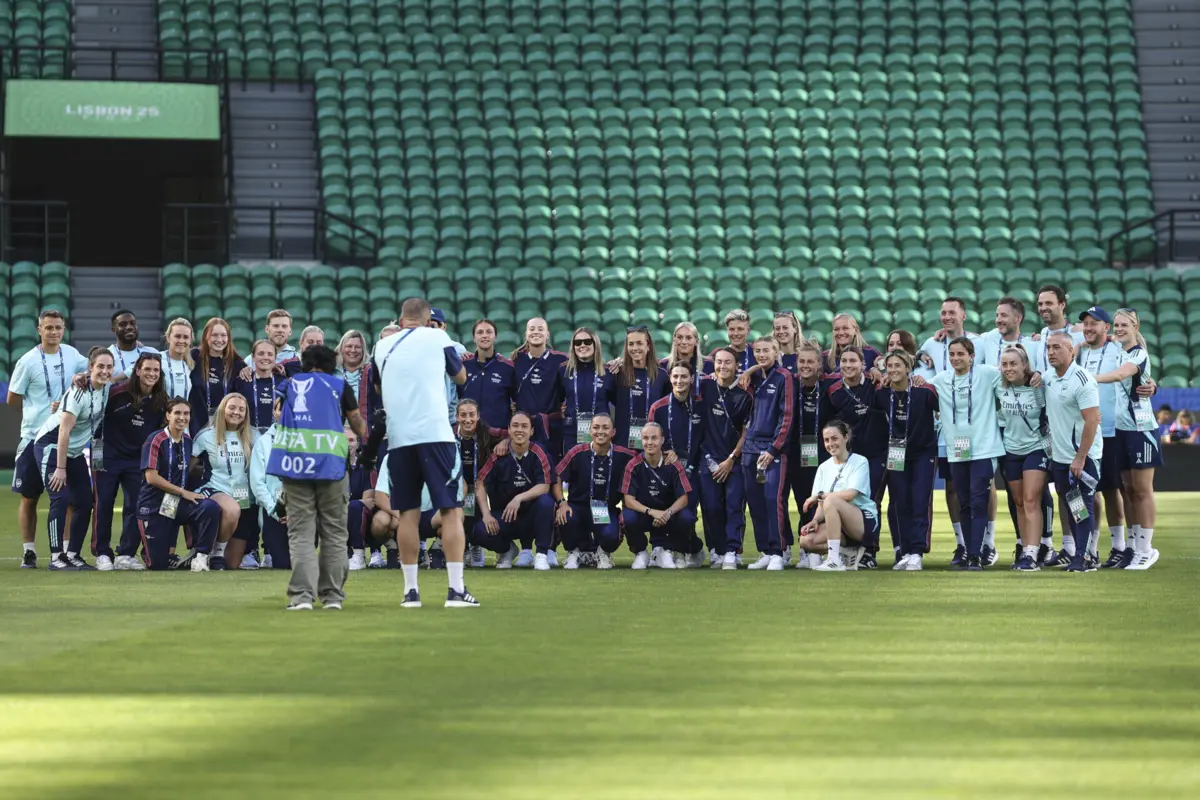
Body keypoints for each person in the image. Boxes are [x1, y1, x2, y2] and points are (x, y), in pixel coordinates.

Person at [374, 297, 475, 608]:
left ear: (401, 319)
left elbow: (379, 388)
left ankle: (410, 592)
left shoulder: (381, 347)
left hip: (400, 439)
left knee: (407, 513)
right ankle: (456, 591)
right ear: (428, 317)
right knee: (451, 510)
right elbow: (460, 376)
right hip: (435, 434)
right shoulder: (437, 337)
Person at [269, 344, 368, 610]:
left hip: (295, 464)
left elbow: (276, 414)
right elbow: (358, 425)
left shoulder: (289, 385)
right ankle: (333, 597)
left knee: (301, 533)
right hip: (332, 465)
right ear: (330, 364)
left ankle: (302, 598)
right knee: (335, 533)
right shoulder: (339, 386)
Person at [7, 309, 89, 569]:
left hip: (58, 436)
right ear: (39, 329)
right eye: (49, 327)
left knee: (65, 497)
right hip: (33, 436)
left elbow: (96, 367)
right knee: (29, 497)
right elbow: (12, 398)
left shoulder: (72, 355)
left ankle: (64, 551)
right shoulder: (27, 361)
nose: (54, 332)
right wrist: (37, 412)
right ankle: (29, 550)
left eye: (58, 328)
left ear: (64, 330)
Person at [34, 348, 113, 570]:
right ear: (90, 368)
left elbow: (97, 430)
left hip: (76, 452)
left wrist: (96, 465)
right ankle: (56, 557)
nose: (105, 371)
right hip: (52, 447)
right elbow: (63, 432)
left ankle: (73, 554)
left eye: (109, 367)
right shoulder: (78, 392)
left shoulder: (105, 389)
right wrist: (60, 468)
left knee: (86, 502)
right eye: (100, 366)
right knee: (60, 498)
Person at [931, 336, 1005, 570]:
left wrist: (1033, 375)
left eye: (961, 354)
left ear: (972, 356)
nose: (955, 358)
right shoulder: (942, 379)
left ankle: (976, 554)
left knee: (977, 500)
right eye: (952, 354)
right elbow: (919, 385)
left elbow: (1012, 373)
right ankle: (970, 552)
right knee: (963, 502)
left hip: (984, 449)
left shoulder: (987, 373)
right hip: (957, 451)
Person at [1097, 309, 1162, 569]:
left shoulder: (1138, 353)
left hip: (1141, 428)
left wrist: (1088, 379)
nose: (1120, 329)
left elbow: (1121, 375)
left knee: (1143, 490)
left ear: (1136, 326)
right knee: (1128, 489)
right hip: (1122, 430)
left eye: (1125, 324)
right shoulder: (1119, 349)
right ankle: (1135, 547)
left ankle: (1146, 549)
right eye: (1117, 325)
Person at [94, 352, 168, 570]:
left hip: (137, 460)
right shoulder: (116, 393)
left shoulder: (162, 400)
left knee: (136, 505)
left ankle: (125, 553)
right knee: (103, 503)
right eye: (147, 369)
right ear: (137, 370)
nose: (151, 374)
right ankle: (102, 553)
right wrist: (96, 457)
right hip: (107, 456)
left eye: (155, 370)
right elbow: (96, 419)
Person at [133, 399, 223, 571]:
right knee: (158, 565)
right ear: (168, 415)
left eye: (186, 413)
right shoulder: (155, 440)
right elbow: (151, 477)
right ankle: (152, 550)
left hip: (173, 503)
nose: (182, 417)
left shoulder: (188, 441)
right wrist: (183, 492)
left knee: (209, 507)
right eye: (177, 413)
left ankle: (200, 556)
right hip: (153, 504)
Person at [1041, 332, 1103, 573]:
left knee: (1083, 505)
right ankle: (1082, 553)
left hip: (1082, 457)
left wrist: (1080, 458)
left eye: (1057, 347)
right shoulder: (1048, 377)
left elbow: (1092, 421)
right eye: (1048, 348)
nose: (1051, 352)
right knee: (1073, 506)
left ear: (1071, 350)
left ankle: (1084, 557)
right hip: (1060, 456)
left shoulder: (1083, 380)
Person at [872, 349, 938, 570]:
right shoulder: (881, 393)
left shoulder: (923, 391)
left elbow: (943, 408)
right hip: (896, 453)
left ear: (908, 368)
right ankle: (905, 550)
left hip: (923, 453)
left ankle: (917, 552)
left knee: (919, 500)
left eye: (898, 366)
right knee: (900, 501)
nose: (893, 370)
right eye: (889, 366)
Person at [1075, 306, 1127, 567]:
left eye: (1094, 323)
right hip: (1085, 433)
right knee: (1087, 491)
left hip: (1110, 431)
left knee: (1110, 489)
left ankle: (1119, 545)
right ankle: (1090, 548)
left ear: (1106, 327)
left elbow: (1136, 374)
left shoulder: (1118, 350)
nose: (1088, 327)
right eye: (1085, 323)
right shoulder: (1079, 350)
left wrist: (1150, 386)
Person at [472, 412, 556, 569]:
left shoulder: (539, 453)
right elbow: (480, 483)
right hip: (506, 516)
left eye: (524, 426)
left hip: (532, 516)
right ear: (509, 430)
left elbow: (544, 485)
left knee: (546, 501)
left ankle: (541, 554)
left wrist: (518, 499)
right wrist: (486, 514)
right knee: (479, 531)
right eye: (515, 426)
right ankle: (507, 550)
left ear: (531, 431)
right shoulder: (498, 455)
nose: (520, 430)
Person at [827, 346, 885, 567]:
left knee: (871, 502)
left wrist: (881, 372)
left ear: (863, 364)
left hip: (876, 454)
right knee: (847, 501)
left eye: (853, 361)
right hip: (849, 458)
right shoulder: (834, 391)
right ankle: (850, 549)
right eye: (844, 361)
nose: (848, 365)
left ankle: (870, 552)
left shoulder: (875, 383)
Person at [554, 413, 637, 570]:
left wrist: (668, 453)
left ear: (613, 432)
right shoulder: (576, 452)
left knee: (611, 536)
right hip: (578, 507)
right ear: (590, 431)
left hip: (604, 508)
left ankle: (602, 551)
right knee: (565, 516)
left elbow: (646, 458)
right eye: (596, 427)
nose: (601, 431)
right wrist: (561, 502)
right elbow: (557, 475)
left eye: (605, 428)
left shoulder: (625, 455)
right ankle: (574, 551)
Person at [797, 419, 882, 571]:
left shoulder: (860, 461)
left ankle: (834, 560)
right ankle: (848, 553)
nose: (831, 444)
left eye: (835, 438)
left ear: (846, 437)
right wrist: (815, 520)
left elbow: (850, 495)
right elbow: (823, 504)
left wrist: (818, 496)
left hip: (863, 521)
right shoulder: (824, 467)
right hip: (839, 525)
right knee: (806, 541)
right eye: (826, 440)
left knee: (832, 500)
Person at [995, 344, 1050, 572]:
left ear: (1025, 365)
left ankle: (1032, 553)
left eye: (1013, 364)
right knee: (1018, 502)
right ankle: (1025, 548)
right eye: (1005, 364)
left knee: (1030, 500)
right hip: (1010, 450)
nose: (1009, 368)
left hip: (1036, 448)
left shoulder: (1040, 385)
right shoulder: (998, 385)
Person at [741, 336, 794, 571]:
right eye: (758, 351)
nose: (762, 355)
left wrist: (774, 449)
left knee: (774, 500)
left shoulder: (784, 377)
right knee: (755, 501)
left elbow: (787, 416)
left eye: (766, 351)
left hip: (772, 450)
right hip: (749, 448)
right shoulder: (753, 377)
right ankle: (764, 550)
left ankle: (779, 551)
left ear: (776, 351)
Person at [696, 347, 752, 569]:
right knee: (710, 506)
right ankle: (716, 550)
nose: (722, 366)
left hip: (734, 460)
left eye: (727, 362)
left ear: (737, 365)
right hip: (707, 457)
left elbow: (746, 432)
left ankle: (731, 550)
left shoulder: (744, 394)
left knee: (733, 505)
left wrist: (731, 458)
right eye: (718, 362)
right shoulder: (705, 386)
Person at [190, 392, 257, 571]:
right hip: (215, 489)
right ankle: (216, 552)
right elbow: (188, 468)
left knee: (232, 565)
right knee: (232, 508)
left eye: (242, 409)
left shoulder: (254, 435)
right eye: (232, 408)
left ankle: (209, 551)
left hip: (244, 497)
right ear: (222, 409)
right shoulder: (206, 436)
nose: (237, 412)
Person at [649, 361, 706, 567]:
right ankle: (679, 550)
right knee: (675, 513)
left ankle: (689, 548)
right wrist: (665, 452)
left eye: (684, 376)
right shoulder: (659, 407)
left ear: (692, 379)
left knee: (689, 515)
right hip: (669, 473)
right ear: (670, 378)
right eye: (675, 377)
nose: (679, 381)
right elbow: (650, 441)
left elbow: (706, 438)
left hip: (695, 471)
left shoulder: (701, 404)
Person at [785, 341, 836, 568]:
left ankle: (819, 548)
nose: (805, 366)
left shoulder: (829, 388)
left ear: (819, 364)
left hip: (824, 455)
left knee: (822, 501)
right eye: (802, 361)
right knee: (802, 500)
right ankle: (806, 549)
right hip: (797, 453)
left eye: (810, 362)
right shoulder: (790, 386)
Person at [620, 422, 696, 569]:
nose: (649, 442)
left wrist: (666, 514)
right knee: (627, 516)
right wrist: (651, 512)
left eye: (654, 438)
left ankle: (669, 550)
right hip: (645, 513)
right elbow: (628, 500)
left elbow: (684, 498)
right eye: (645, 438)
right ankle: (641, 552)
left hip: (668, 515)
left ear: (662, 440)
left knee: (687, 517)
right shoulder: (633, 465)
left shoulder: (674, 464)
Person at [454, 398, 500, 568]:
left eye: (472, 415)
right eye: (463, 415)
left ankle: (475, 546)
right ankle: (463, 548)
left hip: (479, 484)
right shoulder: (449, 434)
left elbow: (509, 434)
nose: (468, 419)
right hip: (456, 485)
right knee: (459, 515)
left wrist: (503, 442)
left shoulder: (486, 432)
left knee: (476, 513)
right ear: (457, 416)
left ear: (478, 416)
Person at [613, 325, 669, 453]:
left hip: (652, 446)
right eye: (631, 344)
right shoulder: (617, 373)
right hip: (623, 445)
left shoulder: (661, 375)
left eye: (639, 343)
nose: (635, 348)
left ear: (648, 346)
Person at [249, 411, 291, 570]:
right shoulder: (263, 442)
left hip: (302, 511)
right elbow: (257, 483)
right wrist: (276, 511)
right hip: (274, 512)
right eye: (282, 408)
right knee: (283, 564)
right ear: (274, 412)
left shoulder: (308, 439)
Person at [559, 326, 613, 450]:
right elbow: (557, 399)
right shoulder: (564, 371)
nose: (582, 345)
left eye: (587, 341)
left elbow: (619, 403)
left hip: (601, 435)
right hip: (571, 435)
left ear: (596, 344)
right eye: (577, 343)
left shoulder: (608, 372)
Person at [462, 318, 517, 430]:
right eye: (480, 332)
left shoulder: (508, 368)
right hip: (470, 435)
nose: (484, 335)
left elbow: (517, 404)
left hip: (498, 438)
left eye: (489, 332)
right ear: (474, 338)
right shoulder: (463, 366)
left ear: (495, 337)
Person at [190, 317, 241, 435]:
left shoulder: (236, 364)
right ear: (206, 337)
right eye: (214, 335)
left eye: (223, 335)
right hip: (196, 426)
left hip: (224, 428)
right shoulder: (193, 356)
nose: (219, 339)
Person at [1033, 285, 1085, 372]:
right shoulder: (1043, 333)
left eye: (1049, 303)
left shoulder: (1077, 334)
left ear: (1062, 305)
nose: (1043, 308)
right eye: (1040, 304)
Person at [345, 426, 377, 570]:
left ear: (357, 443)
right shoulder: (330, 466)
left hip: (358, 516)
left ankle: (359, 555)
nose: (348, 444)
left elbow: (368, 501)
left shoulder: (365, 467)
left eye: (351, 440)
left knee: (355, 507)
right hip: (334, 515)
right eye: (343, 440)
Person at [233, 339, 280, 435]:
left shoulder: (284, 383)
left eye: (270, 354)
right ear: (253, 357)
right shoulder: (242, 381)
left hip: (276, 438)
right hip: (247, 438)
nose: (265, 357)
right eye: (261, 353)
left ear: (275, 358)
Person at [335, 329, 379, 421]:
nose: (353, 350)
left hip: (365, 429)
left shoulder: (372, 372)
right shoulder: (331, 372)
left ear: (363, 350)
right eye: (349, 346)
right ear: (342, 348)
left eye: (357, 347)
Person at [108, 309, 158, 382]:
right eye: (123, 324)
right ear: (113, 329)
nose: (129, 327)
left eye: (133, 323)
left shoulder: (152, 353)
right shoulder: (107, 356)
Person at [662, 321, 711, 394]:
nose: (684, 342)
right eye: (680, 337)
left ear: (696, 341)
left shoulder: (709, 365)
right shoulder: (663, 366)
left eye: (688, 338)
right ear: (674, 340)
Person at [161, 318, 195, 401]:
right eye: (177, 336)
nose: (181, 340)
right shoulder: (157, 359)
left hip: (183, 413)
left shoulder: (190, 364)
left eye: (186, 337)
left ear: (190, 340)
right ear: (168, 338)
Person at [711, 308, 754, 374]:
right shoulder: (717, 354)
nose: (735, 333)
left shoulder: (757, 352)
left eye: (740, 329)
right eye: (731, 329)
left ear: (748, 331)